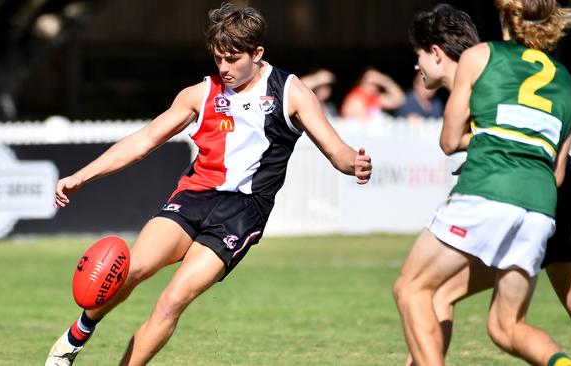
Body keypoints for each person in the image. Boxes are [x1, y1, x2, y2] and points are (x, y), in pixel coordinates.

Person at [45, 3, 372, 366]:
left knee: (172, 300)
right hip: (194, 196)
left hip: (242, 214)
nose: (224, 68)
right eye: (218, 58)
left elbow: (335, 148)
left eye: (232, 59)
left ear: (257, 53)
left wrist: (352, 163)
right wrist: (82, 176)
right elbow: (143, 141)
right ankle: (76, 337)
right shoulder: (199, 94)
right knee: (130, 269)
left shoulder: (290, 91)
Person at [403, 5, 571, 365]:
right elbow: (556, 172)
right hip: (548, 204)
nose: (416, 66)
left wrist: (490, 142)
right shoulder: (565, 82)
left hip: (501, 194)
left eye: (419, 56)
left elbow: (449, 140)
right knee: (508, 326)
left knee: (414, 289)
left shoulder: (480, 59)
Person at [340, 67, 405, 121]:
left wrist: (384, 80)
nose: (373, 86)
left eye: (376, 83)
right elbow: (361, 119)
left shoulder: (375, 98)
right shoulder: (354, 98)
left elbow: (399, 100)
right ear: (362, 81)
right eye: (370, 83)